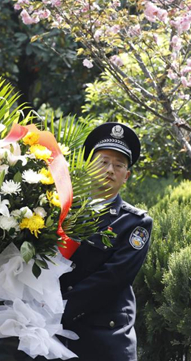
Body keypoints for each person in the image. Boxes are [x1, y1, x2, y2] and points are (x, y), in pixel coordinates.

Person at [58, 122, 153, 361]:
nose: (110, 170)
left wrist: (57, 308)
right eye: (103, 162)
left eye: (119, 165)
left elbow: (113, 278)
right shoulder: (61, 210)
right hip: (53, 334)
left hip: (104, 340)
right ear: (89, 166)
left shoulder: (135, 223)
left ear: (126, 176)